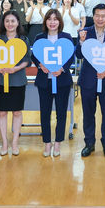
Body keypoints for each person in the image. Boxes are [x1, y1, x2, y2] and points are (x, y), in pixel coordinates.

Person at [77, 4, 105, 158]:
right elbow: (78, 55)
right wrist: (82, 42)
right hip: (88, 80)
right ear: (93, 16)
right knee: (88, 113)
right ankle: (89, 143)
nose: (100, 19)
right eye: (97, 15)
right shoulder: (85, 32)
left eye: (103, 16)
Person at [32, 9, 74, 157]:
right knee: (45, 113)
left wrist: (62, 69)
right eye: (49, 19)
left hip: (62, 81)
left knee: (61, 113)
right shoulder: (39, 37)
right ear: (45, 22)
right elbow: (34, 55)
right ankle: (47, 143)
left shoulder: (66, 37)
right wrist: (40, 65)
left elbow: (71, 57)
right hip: (44, 82)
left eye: (55, 19)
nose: (52, 22)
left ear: (60, 22)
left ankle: (57, 143)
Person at [0, 11, 31, 156]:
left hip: (18, 79)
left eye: (13, 21)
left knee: (17, 111)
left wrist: (15, 68)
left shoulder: (24, 39)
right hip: (0, 80)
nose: (10, 24)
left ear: (18, 23)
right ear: (3, 23)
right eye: (7, 21)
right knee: (2, 112)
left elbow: (27, 60)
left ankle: (14, 143)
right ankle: (4, 143)